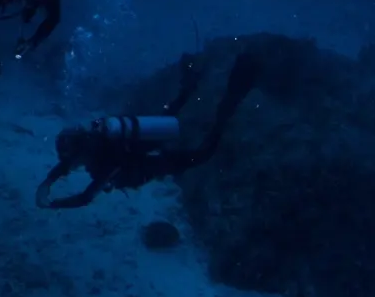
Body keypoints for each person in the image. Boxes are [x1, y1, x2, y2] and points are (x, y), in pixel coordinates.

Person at [36, 50, 261, 208]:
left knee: (202, 154)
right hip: (140, 144)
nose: (71, 165)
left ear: (80, 153)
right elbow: (67, 163)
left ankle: (230, 102)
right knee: (167, 120)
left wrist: (53, 204)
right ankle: (190, 86)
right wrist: (47, 183)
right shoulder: (93, 139)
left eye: (73, 161)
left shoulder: (105, 162)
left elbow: (85, 198)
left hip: (149, 162)